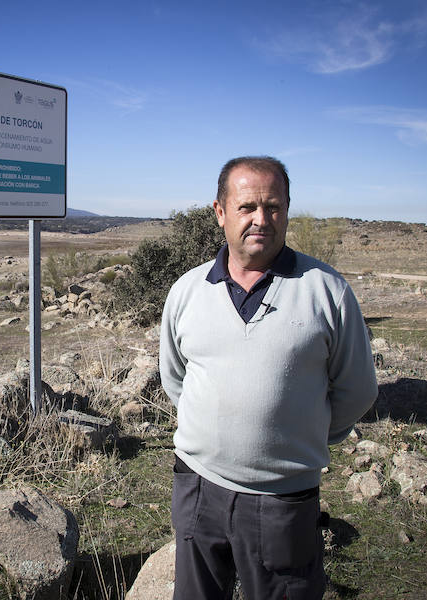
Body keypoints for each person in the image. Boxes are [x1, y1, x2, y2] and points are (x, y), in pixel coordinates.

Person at [159, 156, 377, 599]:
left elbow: (358, 390)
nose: (261, 219)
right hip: (198, 488)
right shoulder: (187, 291)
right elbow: (175, 378)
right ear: (220, 212)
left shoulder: (327, 292)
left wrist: (303, 436)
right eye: (247, 207)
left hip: (284, 502)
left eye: (273, 207)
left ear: (287, 210)